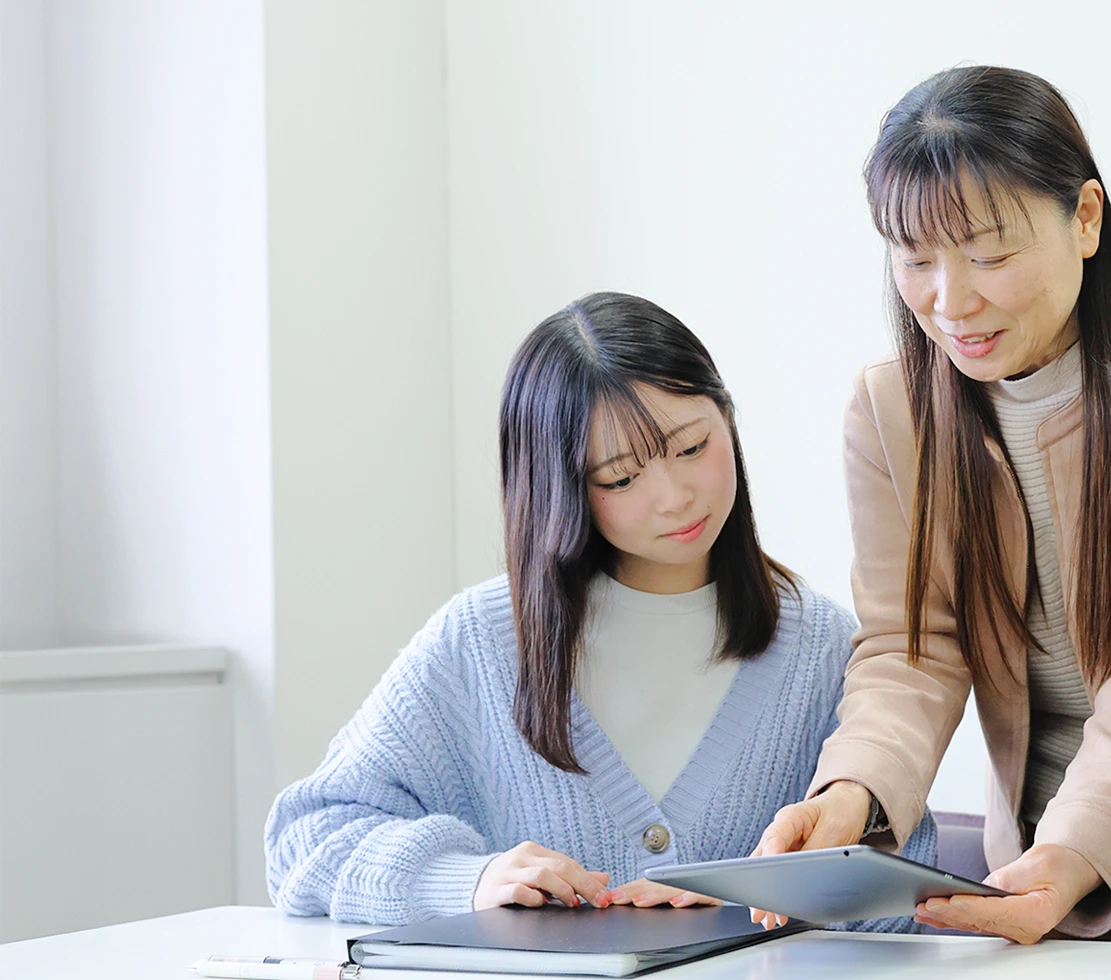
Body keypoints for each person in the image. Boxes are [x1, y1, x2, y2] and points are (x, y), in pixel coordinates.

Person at [265, 292, 935, 927]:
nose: (674, 496)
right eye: (620, 477)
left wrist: (750, 900)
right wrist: (465, 881)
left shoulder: (819, 646)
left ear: (726, 416)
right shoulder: (481, 643)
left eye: (692, 447)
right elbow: (304, 841)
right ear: (559, 488)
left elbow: (912, 877)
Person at [754, 66, 1111, 945]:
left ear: (1085, 219)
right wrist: (851, 792)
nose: (950, 299)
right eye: (915, 258)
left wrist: (1074, 850)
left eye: (989, 254)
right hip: (1029, 866)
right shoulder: (890, 409)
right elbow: (910, 647)